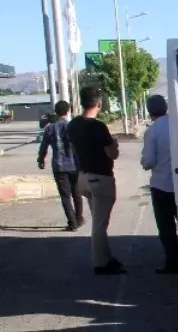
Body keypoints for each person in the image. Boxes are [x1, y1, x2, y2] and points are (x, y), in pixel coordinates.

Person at [68, 87, 124, 275]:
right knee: (99, 225)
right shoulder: (98, 127)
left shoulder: (73, 124)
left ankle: (107, 257)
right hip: (100, 179)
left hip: (83, 178)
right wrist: (114, 143)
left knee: (98, 221)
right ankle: (101, 263)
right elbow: (112, 154)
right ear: (98, 103)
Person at [140, 94, 178, 274]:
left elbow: (148, 161)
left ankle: (173, 263)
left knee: (166, 229)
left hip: (162, 185)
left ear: (149, 111)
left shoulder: (153, 130)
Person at [37, 100, 85, 230]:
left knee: (65, 196)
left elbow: (44, 146)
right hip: (74, 165)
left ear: (56, 112)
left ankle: (72, 223)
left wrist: (40, 159)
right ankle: (79, 219)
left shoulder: (50, 128)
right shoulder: (72, 127)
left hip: (59, 166)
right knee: (77, 193)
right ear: (69, 111)